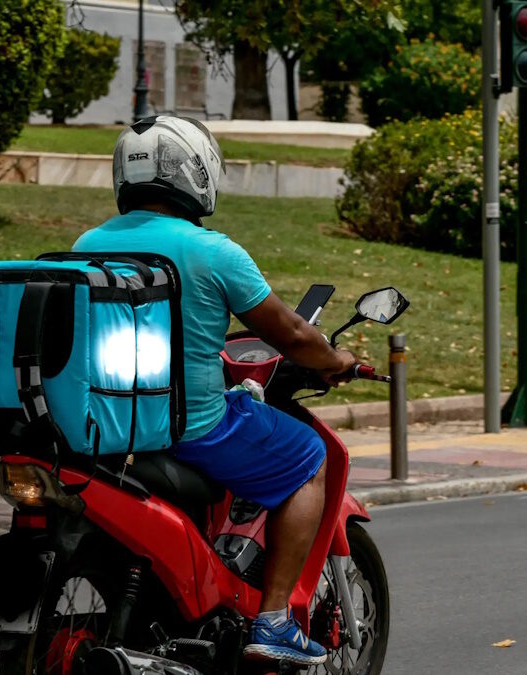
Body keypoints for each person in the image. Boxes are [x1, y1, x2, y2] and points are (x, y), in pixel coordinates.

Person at [72, 115, 356, 666]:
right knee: (309, 456)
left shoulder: (88, 243)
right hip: (191, 425)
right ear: (194, 173)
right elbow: (294, 334)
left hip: (108, 420)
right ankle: (273, 621)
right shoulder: (214, 251)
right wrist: (336, 359)